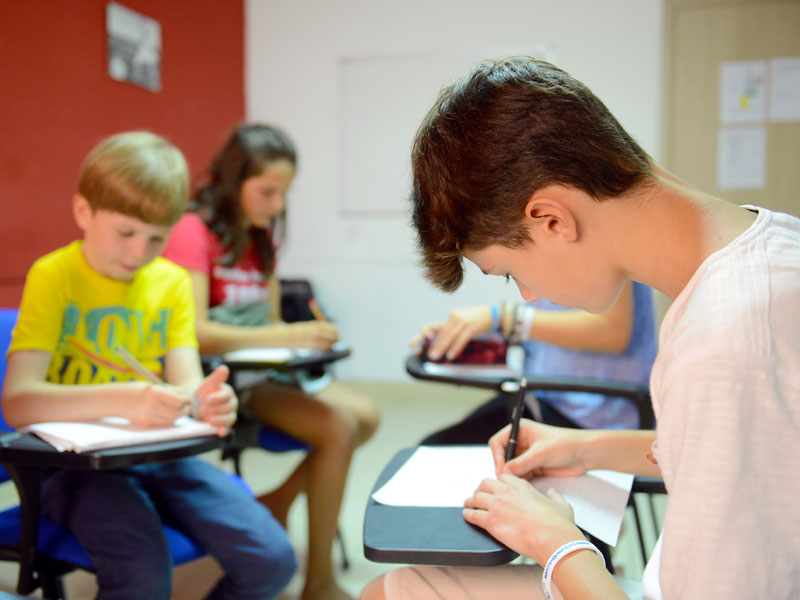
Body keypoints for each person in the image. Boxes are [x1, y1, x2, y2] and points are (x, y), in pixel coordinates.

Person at [360, 57, 800, 600]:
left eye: (509, 273)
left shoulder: (725, 345)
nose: (527, 295)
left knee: (389, 593)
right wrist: (583, 448)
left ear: (551, 219)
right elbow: (739, 454)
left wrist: (556, 541)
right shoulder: (773, 247)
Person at [1, 131, 296, 600]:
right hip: (73, 468)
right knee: (141, 576)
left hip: (159, 457)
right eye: (125, 233)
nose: (139, 253)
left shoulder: (172, 283)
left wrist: (209, 402)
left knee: (272, 560)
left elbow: (188, 389)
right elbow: (18, 404)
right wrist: (123, 399)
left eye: (157, 238)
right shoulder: (53, 276)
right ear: (83, 212)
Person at [162, 122, 380, 600]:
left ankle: (278, 500)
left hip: (267, 373)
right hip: (224, 381)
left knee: (368, 415)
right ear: (233, 181)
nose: (277, 205)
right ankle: (319, 581)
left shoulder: (260, 238)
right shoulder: (192, 232)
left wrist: (308, 336)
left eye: (283, 192)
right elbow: (194, 329)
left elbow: (275, 321)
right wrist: (287, 332)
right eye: (267, 191)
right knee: (338, 429)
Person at [416, 280, 656, 445]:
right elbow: (554, 315)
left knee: (436, 458)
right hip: (546, 396)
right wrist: (475, 339)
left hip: (593, 414)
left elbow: (613, 330)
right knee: (430, 453)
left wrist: (505, 319)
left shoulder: (600, 225)